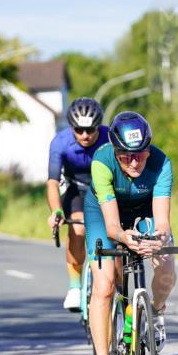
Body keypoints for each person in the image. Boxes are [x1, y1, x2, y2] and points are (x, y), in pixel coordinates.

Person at [84, 111, 177, 355]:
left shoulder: (161, 163)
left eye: (141, 154)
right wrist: (125, 237)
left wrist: (157, 241)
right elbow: (112, 227)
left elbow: (161, 223)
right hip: (103, 215)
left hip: (144, 211)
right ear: (115, 150)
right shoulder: (101, 162)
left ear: (149, 149)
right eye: (126, 156)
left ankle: (157, 312)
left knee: (166, 265)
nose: (135, 162)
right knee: (105, 285)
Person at [45, 97, 109, 311]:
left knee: (115, 236)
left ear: (98, 125)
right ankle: (74, 287)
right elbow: (53, 182)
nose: (84, 135)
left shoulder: (110, 138)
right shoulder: (61, 142)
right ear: (72, 126)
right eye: (79, 130)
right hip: (77, 190)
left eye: (90, 130)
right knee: (78, 229)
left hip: (107, 190)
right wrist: (56, 210)